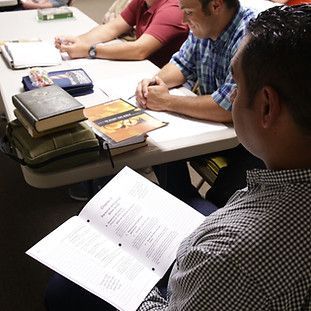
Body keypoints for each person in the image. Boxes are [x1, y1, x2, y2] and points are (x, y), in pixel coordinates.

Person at [44, 4, 311, 309]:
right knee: (186, 203)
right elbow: (180, 63)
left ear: (266, 107)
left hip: (216, 264)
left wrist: (136, 292)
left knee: (63, 289)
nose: (232, 95)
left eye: (236, 83)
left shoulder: (227, 257)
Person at [135, 0, 268, 207]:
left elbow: (227, 107)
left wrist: (167, 101)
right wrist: (155, 82)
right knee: (155, 143)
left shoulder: (251, 35)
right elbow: (181, 64)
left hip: (251, 142)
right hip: (218, 130)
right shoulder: (205, 27)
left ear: (216, 6)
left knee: (221, 201)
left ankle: (193, 207)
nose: (183, 20)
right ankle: (182, 200)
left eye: (188, 12)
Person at [54, 0, 189, 68]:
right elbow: (111, 28)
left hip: (163, 78)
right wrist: (78, 41)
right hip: (142, 68)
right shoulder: (143, 1)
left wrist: (89, 50)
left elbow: (139, 50)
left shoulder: (172, 9)